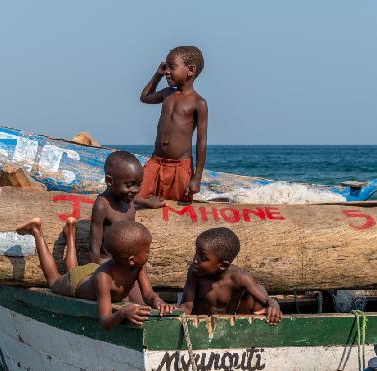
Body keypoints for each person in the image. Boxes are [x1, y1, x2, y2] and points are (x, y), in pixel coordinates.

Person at [16, 218, 174, 329]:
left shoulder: (137, 266)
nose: (149, 253)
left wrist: (158, 301)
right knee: (54, 280)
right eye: (147, 250)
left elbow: (148, 294)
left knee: (73, 269)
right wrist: (122, 313)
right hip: (78, 282)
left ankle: (71, 230)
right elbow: (105, 321)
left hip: (93, 269)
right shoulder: (104, 279)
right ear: (131, 259)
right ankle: (36, 230)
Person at [137, 45, 208, 203]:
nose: (167, 71)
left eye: (172, 67)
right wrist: (157, 75)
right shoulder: (166, 94)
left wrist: (197, 177)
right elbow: (144, 97)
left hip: (181, 167)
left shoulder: (198, 103)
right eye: (165, 67)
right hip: (156, 161)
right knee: (136, 196)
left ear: (190, 70)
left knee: (178, 206)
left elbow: (201, 141)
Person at [180, 227, 283, 325]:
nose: (195, 259)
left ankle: (249, 334)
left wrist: (274, 305)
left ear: (223, 265)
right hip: (200, 326)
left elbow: (266, 299)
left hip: (230, 327)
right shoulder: (195, 272)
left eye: (203, 257)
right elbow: (186, 306)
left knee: (258, 290)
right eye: (196, 252)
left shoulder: (239, 277)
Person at [90, 150, 163, 264]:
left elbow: (135, 198)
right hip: (109, 264)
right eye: (129, 185)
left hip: (129, 262)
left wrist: (149, 203)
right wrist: (93, 272)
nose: (135, 190)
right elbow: (95, 245)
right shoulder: (102, 206)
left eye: (139, 184)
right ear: (109, 181)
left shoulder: (128, 198)